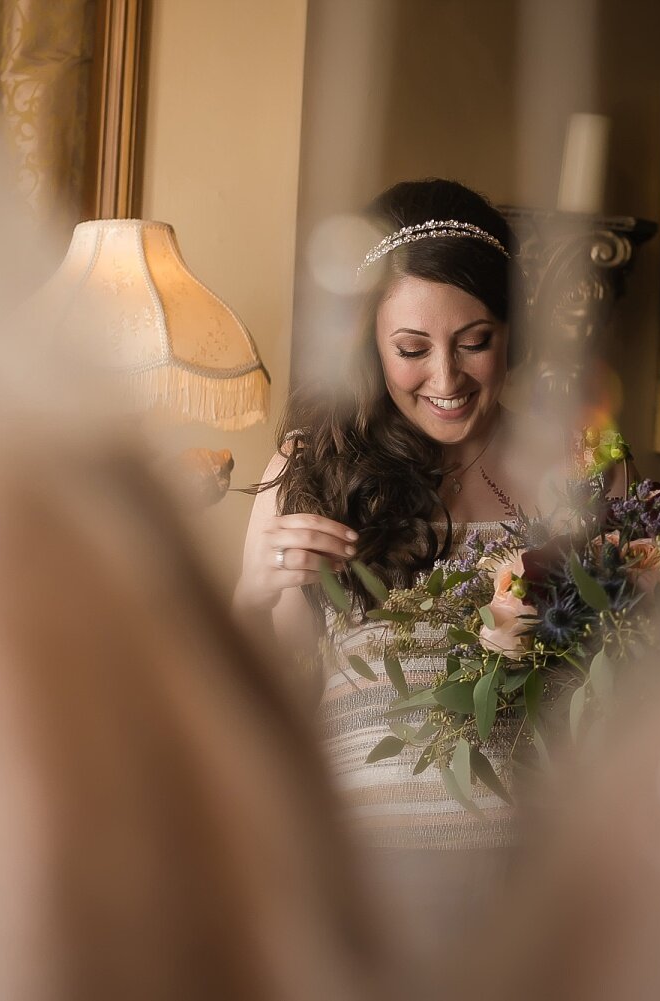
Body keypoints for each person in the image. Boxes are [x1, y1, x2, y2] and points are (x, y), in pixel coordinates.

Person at [231, 178, 553, 966]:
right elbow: (258, 702)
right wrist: (256, 593)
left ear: (514, 331)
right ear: (369, 347)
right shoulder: (314, 469)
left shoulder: (577, 471)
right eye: (411, 349)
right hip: (370, 882)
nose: (445, 378)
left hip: (540, 886)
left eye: (474, 339)